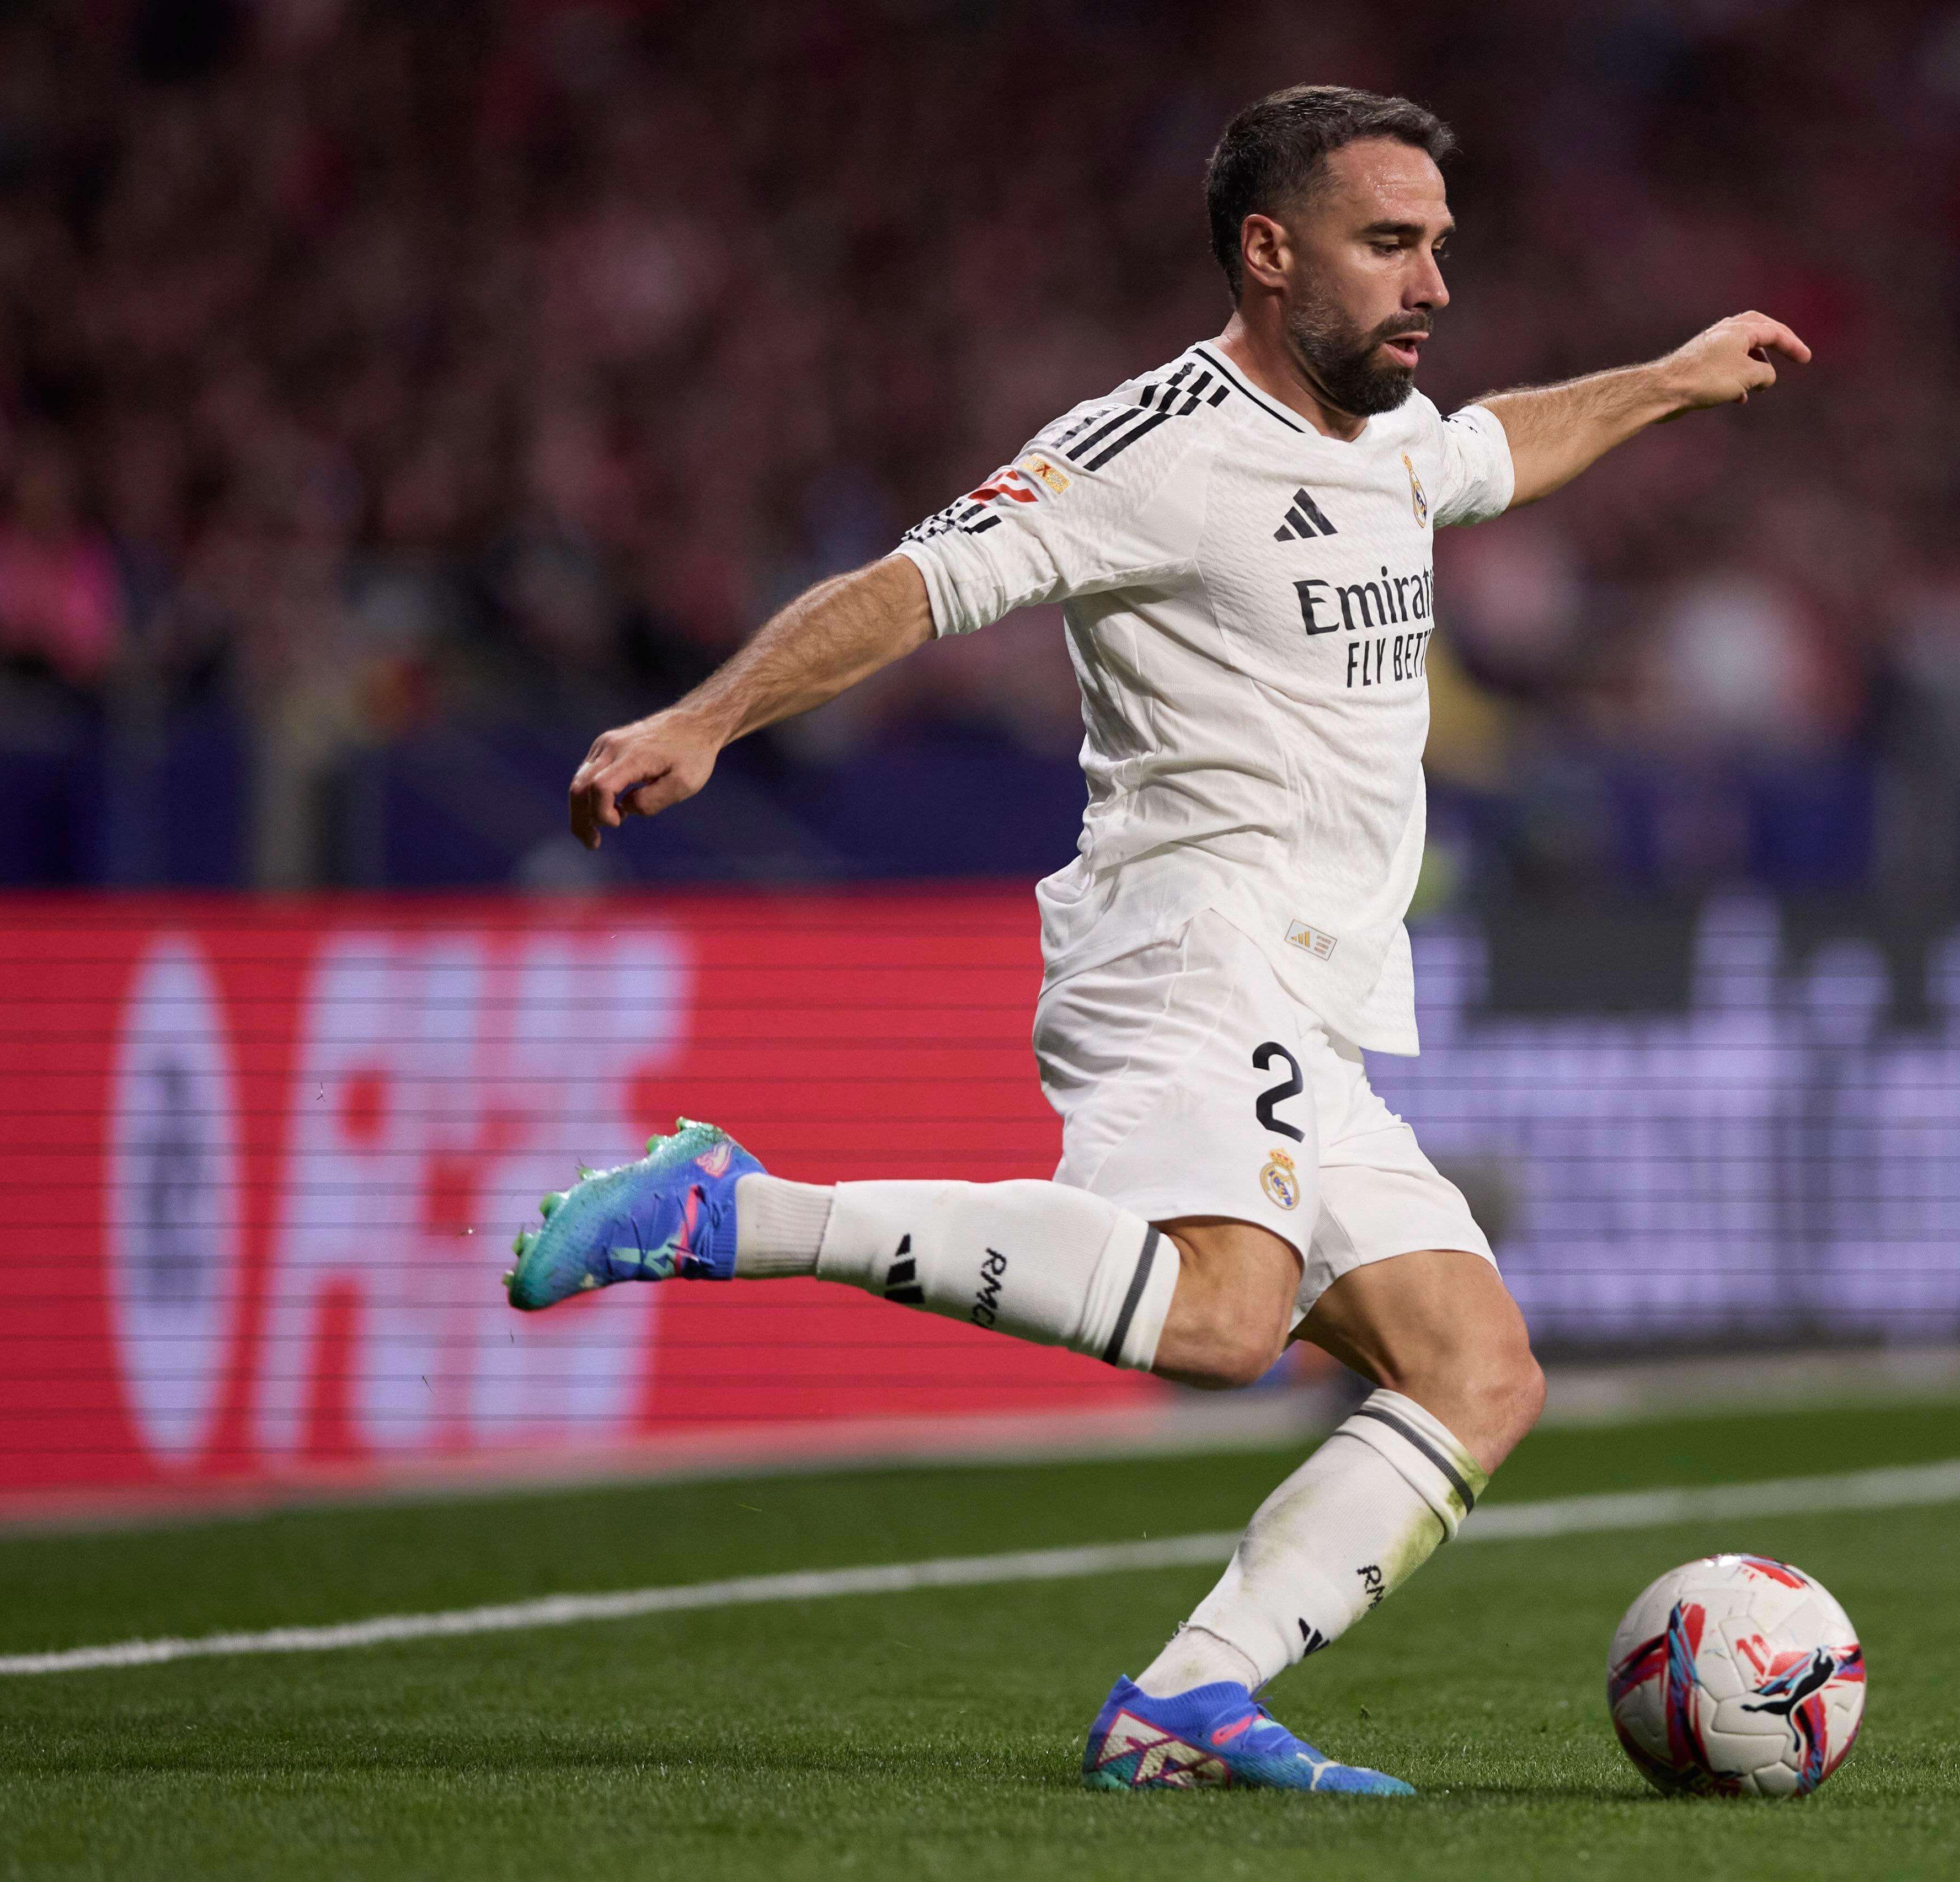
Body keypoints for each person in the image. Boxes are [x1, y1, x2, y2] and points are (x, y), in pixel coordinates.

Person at [512, 83, 1807, 1796]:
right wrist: (708, 716)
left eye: (1439, 245)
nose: (1433, 282)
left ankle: (1189, 1696)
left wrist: (1670, 379)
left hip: (1317, 1000)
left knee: (1478, 1372)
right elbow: (914, 582)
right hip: (1188, 946)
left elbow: (1495, 451)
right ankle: (735, 1208)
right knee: (1224, 1320)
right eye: (1389, 244)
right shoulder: (1151, 449)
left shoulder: (1390, 434)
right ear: (1270, 253)